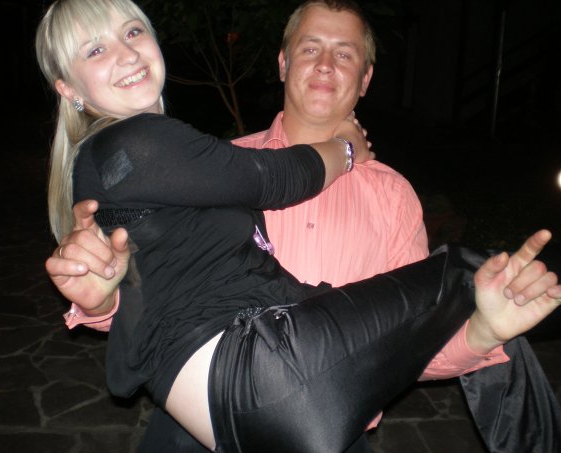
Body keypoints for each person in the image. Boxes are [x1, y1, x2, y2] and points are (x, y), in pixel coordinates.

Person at [37, 0, 561, 451]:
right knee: (461, 273)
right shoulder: (215, 165)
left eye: (345, 53)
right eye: (311, 48)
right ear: (284, 63)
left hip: (328, 421)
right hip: (203, 427)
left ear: (366, 78)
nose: (326, 64)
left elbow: (406, 344)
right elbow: (166, 304)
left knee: (464, 285)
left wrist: (483, 331)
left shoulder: (394, 198)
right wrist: (103, 302)